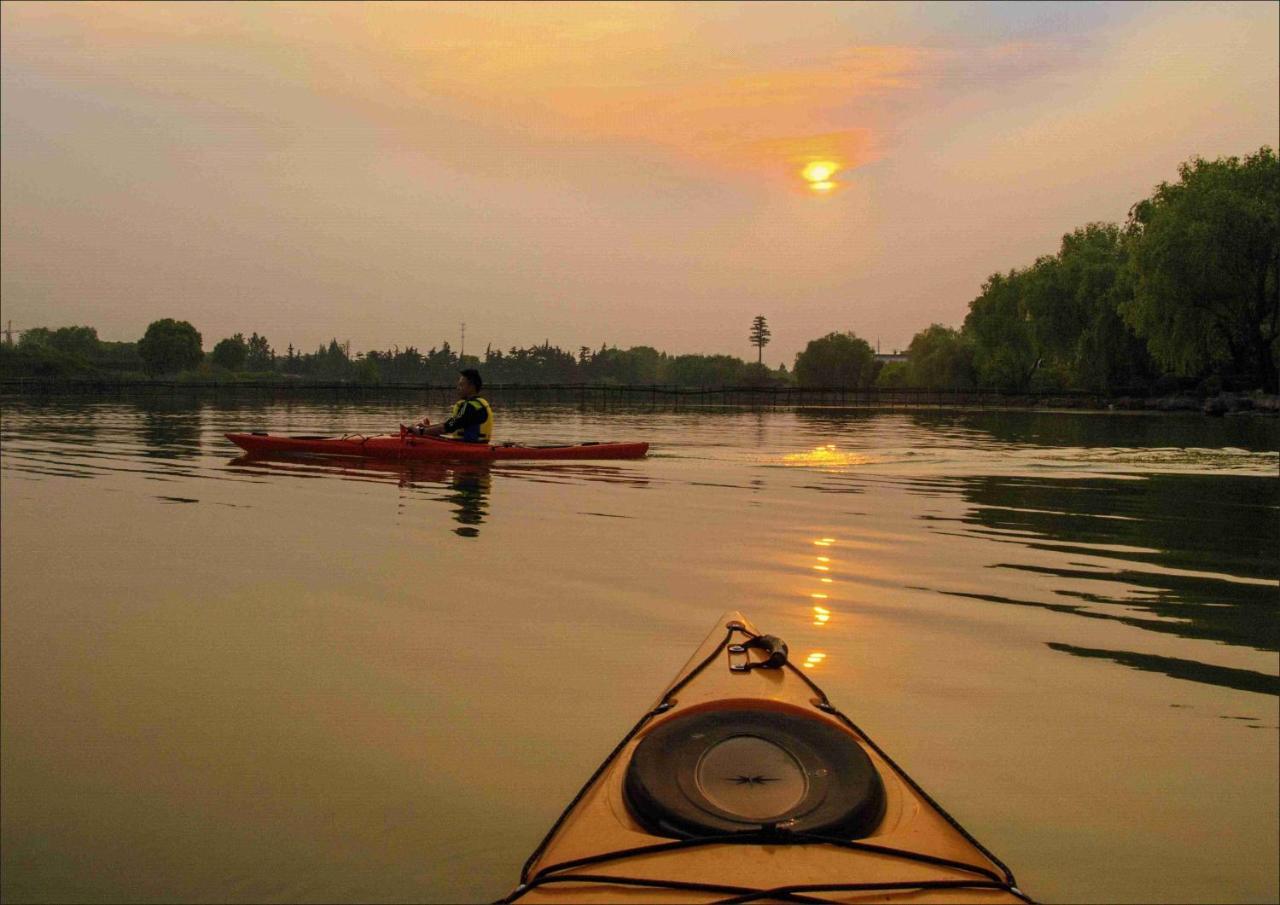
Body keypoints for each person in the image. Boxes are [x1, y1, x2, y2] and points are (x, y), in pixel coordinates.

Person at [411, 369, 494, 442]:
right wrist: (427, 428)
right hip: (473, 444)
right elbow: (451, 423)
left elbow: (447, 427)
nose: (458, 388)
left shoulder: (470, 407)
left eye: (461, 385)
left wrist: (421, 432)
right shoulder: (477, 403)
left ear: (471, 387)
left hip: (470, 447)